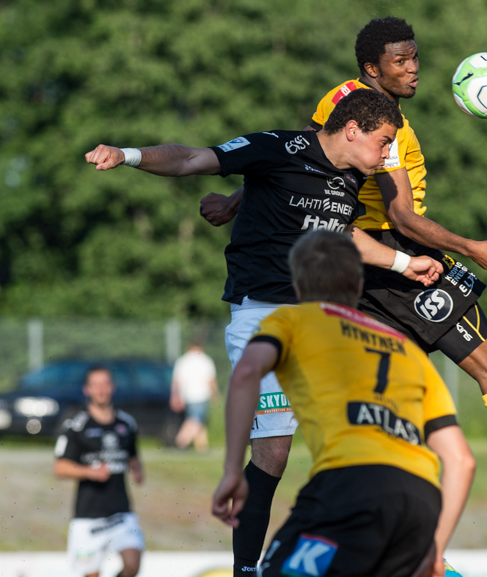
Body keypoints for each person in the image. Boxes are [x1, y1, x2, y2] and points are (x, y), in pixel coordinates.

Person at [200, 17, 487, 566]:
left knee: (391, 407)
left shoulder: (358, 108)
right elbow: (394, 209)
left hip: (366, 264)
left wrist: (235, 200)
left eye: (415, 58)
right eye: (400, 61)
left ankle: (410, 553)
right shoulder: (373, 118)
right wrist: (470, 247)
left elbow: (301, 160)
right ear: (371, 68)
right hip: (391, 255)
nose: (413, 70)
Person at [85, 89, 443, 574]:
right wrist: (126, 154)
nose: (387, 155)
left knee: (367, 433)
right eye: (383, 142)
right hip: (265, 316)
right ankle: (247, 568)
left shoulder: (353, 179)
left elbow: (341, 233)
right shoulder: (278, 147)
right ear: (352, 130)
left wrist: (404, 263)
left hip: (324, 323)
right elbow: (192, 159)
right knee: (274, 451)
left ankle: (388, 554)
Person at [213, 230, 475, 577]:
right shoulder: (407, 351)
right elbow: (461, 461)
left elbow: (247, 372)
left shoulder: (294, 320)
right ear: (358, 285)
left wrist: (233, 470)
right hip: (420, 500)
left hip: (351, 486)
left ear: (298, 287)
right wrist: (435, 552)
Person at [54, 366, 145, 577]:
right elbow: (60, 467)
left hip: (121, 512)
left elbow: (133, 456)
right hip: (89, 517)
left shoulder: (126, 423)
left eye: (105, 384)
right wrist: (91, 472)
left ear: (112, 387)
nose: (101, 390)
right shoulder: (76, 426)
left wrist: (137, 470)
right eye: (96, 385)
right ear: (87, 390)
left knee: (133, 563)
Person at [171, 341, 219, 451]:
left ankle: (202, 447)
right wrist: (215, 394)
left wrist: (175, 396)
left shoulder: (182, 360)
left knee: (200, 421)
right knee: (195, 421)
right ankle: (180, 442)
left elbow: (176, 381)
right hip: (201, 395)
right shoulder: (205, 360)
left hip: (186, 396)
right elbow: (211, 380)